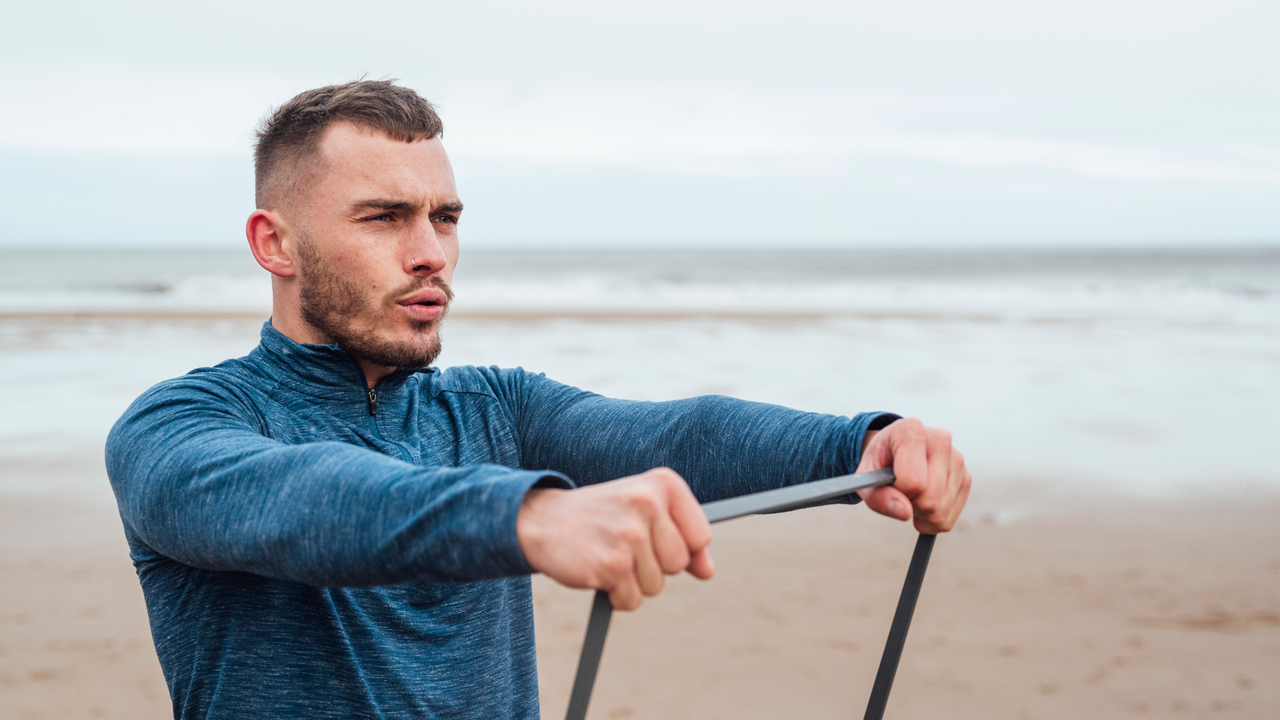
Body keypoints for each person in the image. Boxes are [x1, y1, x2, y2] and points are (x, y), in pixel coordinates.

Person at [106, 80, 971, 720]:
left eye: (444, 218)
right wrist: (533, 518)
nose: (429, 253)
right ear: (275, 244)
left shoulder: (497, 409)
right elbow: (299, 500)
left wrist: (865, 444)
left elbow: (678, 431)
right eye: (383, 218)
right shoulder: (175, 428)